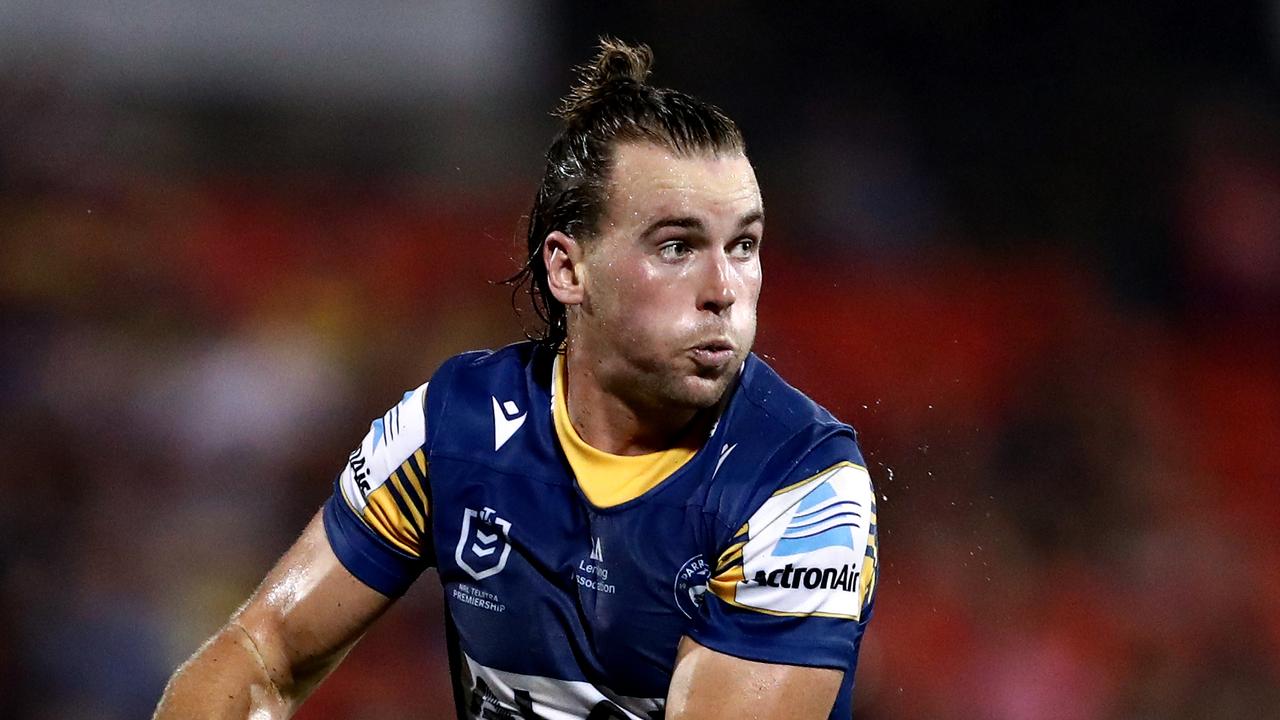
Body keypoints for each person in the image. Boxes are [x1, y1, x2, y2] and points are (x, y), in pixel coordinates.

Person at [154, 37, 879, 720]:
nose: (725, 287)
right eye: (677, 246)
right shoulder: (452, 428)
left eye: (744, 244)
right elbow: (261, 650)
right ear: (569, 269)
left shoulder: (801, 487)